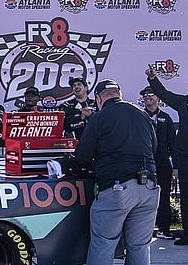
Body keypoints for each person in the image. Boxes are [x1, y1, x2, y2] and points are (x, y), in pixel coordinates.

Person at [74, 79, 159, 265]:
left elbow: (82, 155)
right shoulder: (141, 113)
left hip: (117, 188)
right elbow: (154, 147)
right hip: (149, 187)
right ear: (119, 94)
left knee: (104, 242)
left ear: (98, 98)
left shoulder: (100, 117)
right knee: (140, 245)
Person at [145, 67, 188, 248]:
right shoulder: (184, 103)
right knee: (185, 197)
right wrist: (153, 79)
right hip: (185, 159)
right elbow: (163, 93)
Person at [140, 85, 177, 240]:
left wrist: (176, 166)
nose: (148, 97)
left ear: (158, 98)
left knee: (163, 196)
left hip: (162, 163)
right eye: (145, 95)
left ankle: (164, 229)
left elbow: (173, 144)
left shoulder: (166, 118)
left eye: (151, 94)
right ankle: (142, 231)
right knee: (141, 198)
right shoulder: (139, 116)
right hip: (143, 163)